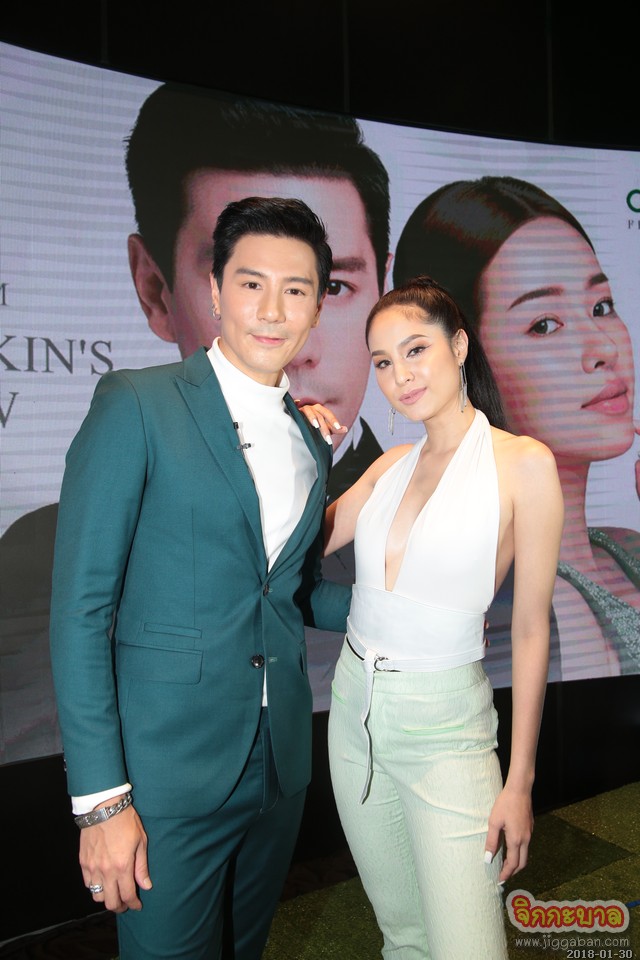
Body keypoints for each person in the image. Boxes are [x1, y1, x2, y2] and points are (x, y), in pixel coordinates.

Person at [49, 197, 351, 960]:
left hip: (279, 767)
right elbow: (81, 612)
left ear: (319, 306)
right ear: (214, 291)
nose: (273, 310)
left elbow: (287, 594)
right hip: (164, 780)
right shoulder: (137, 405)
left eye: (296, 289)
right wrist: (100, 802)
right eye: (251, 284)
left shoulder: (310, 438)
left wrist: (408, 610)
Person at [318, 277, 563, 959]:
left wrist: (519, 781)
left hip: (448, 733)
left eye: (416, 349)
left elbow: (531, 630)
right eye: (383, 361)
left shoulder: (524, 464)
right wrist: (303, 447)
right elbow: (291, 550)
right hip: (353, 715)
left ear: (458, 346)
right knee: (403, 939)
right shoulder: (388, 467)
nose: (400, 375)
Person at [392, 176, 640, 682]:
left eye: (601, 306)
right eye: (544, 324)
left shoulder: (624, 547)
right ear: (459, 360)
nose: (604, 348)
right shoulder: (531, 595)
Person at [126, 82, 392, 495]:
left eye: (335, 287)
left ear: (383, 294)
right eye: (249, 285)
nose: (295, 349)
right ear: (155, 290)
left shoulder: (428, 510)